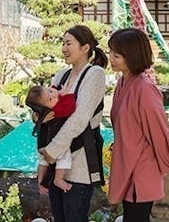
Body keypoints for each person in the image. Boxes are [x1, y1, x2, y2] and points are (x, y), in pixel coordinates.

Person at [108, 28, 169, 222]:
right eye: (110, 53)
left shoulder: (145, 88)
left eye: (116, 55)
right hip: (127, 161)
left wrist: (166, 160)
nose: (111, 59)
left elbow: (159, 131)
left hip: (141, 168)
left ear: (132, 56)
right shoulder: (123, 82)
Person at [39, 25, 108, 222]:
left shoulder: (95, 74)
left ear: (85, 48)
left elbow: (80, 118)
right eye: (63, 43)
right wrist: (39, 118)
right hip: (56, 162)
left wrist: (52, 150)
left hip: (79, 160)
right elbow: (44, 106)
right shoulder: (62, 75)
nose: (64, 48)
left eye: (68, 43)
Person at [26, 84, 76, 192]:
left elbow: (51, 90)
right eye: (50, 98)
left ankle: (40, 183)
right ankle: (58, 179)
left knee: (43, 162)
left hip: (41, 144)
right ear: (43, 106)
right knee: (64, 156)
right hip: (51, 144)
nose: (53, 95)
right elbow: (69, 107)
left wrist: (55, 92)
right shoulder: (54, 111)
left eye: (50, 90)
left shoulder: (41, 112)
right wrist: (66, 94)